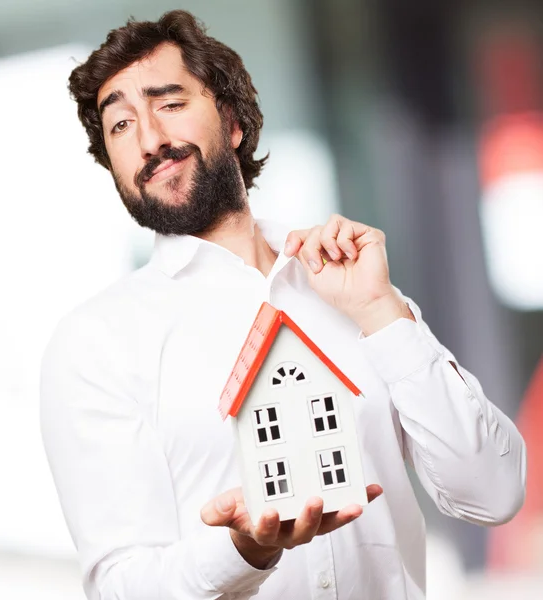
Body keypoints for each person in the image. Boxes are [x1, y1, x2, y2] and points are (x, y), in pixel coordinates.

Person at [40, 10, 526, 600]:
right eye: (120, 126)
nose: (149, 140)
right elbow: (121, 587)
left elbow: (494, 494)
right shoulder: (96, 343)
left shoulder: (355, 288)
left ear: (234, 122)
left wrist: (379, 311)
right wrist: (242, 551)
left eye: (169, 104)